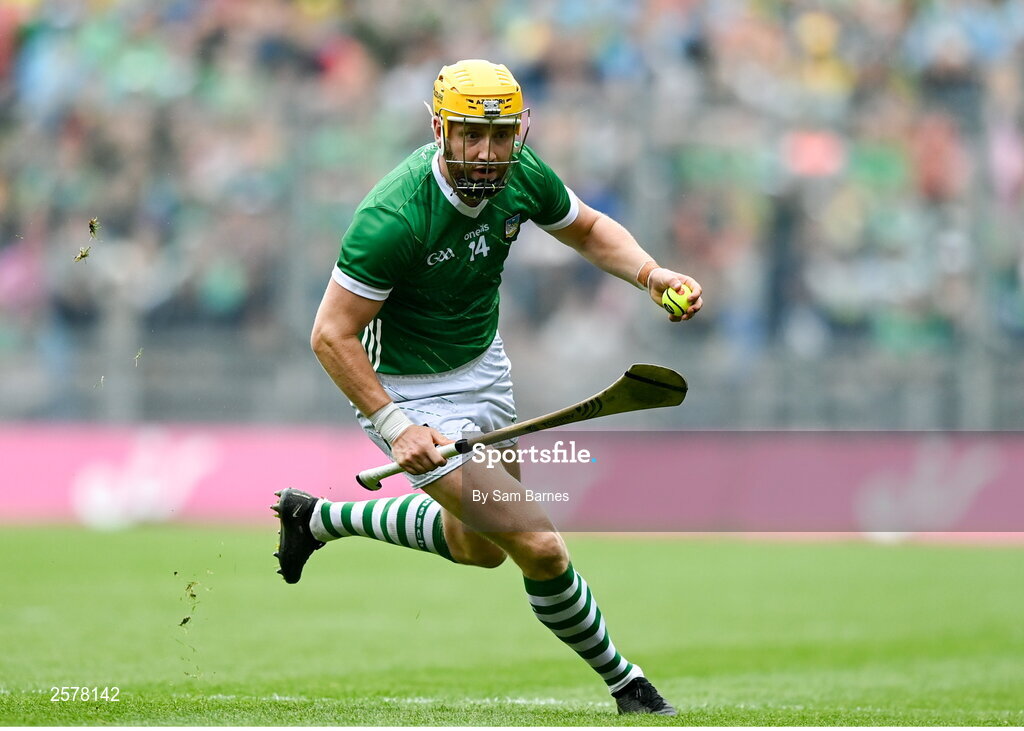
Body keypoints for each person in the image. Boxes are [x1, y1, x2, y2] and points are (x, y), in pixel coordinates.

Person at [273, 59, 703, 716]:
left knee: (480, 547)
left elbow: (584, 227)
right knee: (538, 543)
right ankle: (629, 685)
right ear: (439, 128)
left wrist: (648, 273)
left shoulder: (519, 175)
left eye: (500, 136)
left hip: (485, 369)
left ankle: (319, 517)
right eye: (470, 134)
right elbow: (331, 335)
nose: (486, 152)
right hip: (408, 390)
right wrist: (397, 426)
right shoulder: (394, 216)